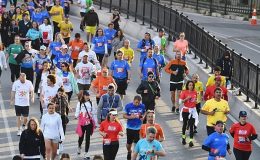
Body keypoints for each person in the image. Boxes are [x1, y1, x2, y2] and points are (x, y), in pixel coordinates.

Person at [75, 91, 97, 159]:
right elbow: (77, 111)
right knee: (81, 136)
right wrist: (76, 115)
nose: (88, 97)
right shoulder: (80, 103)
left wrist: (95, 123)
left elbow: (93, 113)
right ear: (83, 96)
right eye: (86, 95)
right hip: (82, 122)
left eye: (88, 95)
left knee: (88, 138)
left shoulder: (91, 103)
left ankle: (86, 153)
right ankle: (79, 146)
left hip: (89, 123)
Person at [123, 95, 146, 160]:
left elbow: (144, 112)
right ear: (133, 100)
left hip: (138, 128)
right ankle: (129, 151)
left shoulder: (142, 106)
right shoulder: (128, 106)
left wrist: (143, 117)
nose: (137, 104)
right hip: (130, 128)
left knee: (136, 144)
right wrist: (130, 117)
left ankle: (134, 156)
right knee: (129, 144)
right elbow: (124, 115)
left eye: (138, 103)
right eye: (136, 102)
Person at [179, 80, 198, 147]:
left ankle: (191, 141)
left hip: (192, 111)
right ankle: (183, 137)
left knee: (191, 126)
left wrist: (196, 101)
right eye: (190, 85)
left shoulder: (195, 92)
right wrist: (187, 98)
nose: (191, 86)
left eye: (192, 85)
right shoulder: (184, 92)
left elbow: (196, 101)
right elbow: (180, 102)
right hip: (185, 110)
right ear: (187, 85)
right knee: (185, 124)